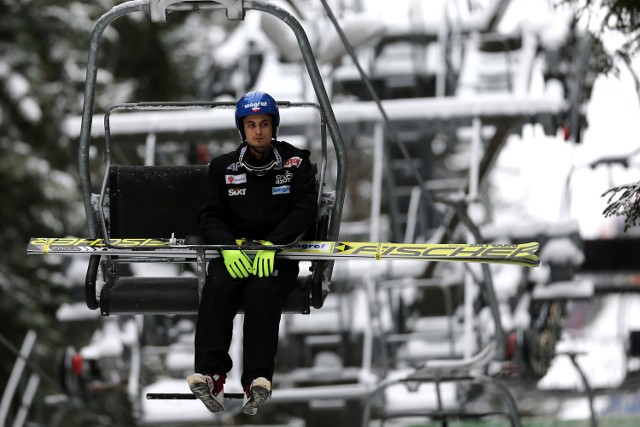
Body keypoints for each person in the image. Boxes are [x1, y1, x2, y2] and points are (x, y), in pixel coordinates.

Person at [187, 91, 318, 415]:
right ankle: (212, 375)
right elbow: (209, 215)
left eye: (263, 124)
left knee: (262, 292)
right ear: (241, 129)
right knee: (218, 287)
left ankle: (256, 380)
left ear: (273, 126)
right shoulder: (223, 167)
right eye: (250, 124)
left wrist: (276, 244)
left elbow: (304, 209)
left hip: (277, 254)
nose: (258, 131)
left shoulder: (295, 163)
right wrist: (227, 247)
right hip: (235, 253)